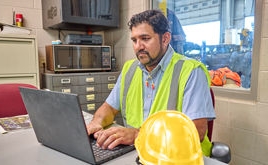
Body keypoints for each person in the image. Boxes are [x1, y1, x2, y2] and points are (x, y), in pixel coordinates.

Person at [86, 9, 216, 157]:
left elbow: (196, 132)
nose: (138, 46)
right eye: (134, 40)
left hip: (179, 157)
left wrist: (137, 135)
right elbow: (109, 108)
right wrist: (96, 122)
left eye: (145, 38)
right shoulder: (130, 69)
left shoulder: (191, 71)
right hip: (137, 153)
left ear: (165, 39)